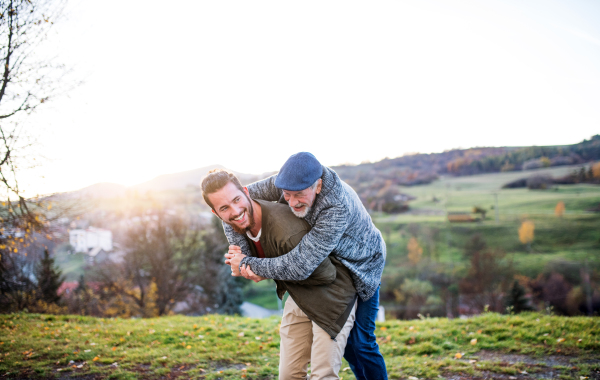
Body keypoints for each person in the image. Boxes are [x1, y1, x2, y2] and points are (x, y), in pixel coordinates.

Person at [225, 152, 388, 380]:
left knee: (361, 342)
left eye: (299, 195)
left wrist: (248, 263)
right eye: (287, 195)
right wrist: (239, 250)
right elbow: (235, 204)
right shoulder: (289, 182)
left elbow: (301, 266)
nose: (291, 202)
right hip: (329, 264)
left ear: (318, 186)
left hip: (362, 266)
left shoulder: (336, 207)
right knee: (348, 343)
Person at [202, 169, 358, 379]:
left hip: (332, 297)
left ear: (247, 192)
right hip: (300, 295)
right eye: (224, 208)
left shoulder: (286, 231)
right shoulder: (238, 221)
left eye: (237, 199)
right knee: (289, 375)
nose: (235, 210)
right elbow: (241, 263)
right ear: (217, 213)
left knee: (323, 376)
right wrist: (244, 263)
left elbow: (324, 274)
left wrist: (256, 267)